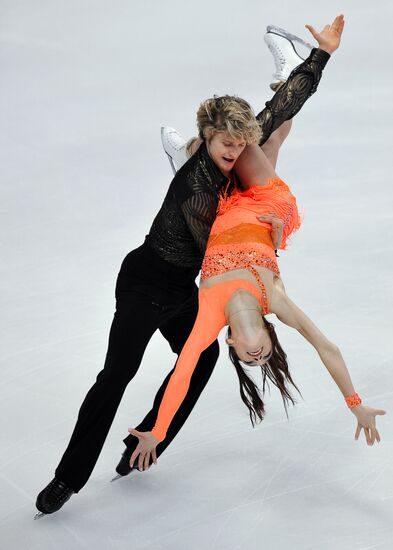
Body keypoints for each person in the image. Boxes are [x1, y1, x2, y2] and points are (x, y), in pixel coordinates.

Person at [35, 16, 344, 518]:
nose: (233, 151)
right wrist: (265, 230)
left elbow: (281, 109)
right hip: (145, 281)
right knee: (117, 373)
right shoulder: (199, 186)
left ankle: (146, 442)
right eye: (224, 144)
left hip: (182, 291)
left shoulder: (233, 146)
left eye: (235, 143)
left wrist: (321, 56)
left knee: (199, 360)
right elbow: (219, 245)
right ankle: (67, 478)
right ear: (209, 137)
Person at [127, 90, 386, 474]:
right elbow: (327, 347)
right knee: (248, 143)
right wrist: (355, 403)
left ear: (230, 341)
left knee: (261, 143)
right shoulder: (274, 299)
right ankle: (291, 76)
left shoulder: (209, 317)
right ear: (267, 333)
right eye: (265, 354)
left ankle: (192, 152)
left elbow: (181, 375)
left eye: (250, 358)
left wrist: (158, 431)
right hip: (268, 205)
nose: (257, 357)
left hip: (222, 208)